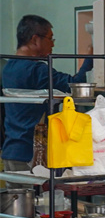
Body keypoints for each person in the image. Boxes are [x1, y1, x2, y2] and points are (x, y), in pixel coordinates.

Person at [2, 15, 93, 172]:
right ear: (35, 39)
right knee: (43, 196)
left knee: (18, 196)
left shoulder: (8, 68)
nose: (52, 44)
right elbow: (75, 85)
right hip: (33, 154)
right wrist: (90, 58)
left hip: (11, 151)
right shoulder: (37, 70)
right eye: (50, 38)